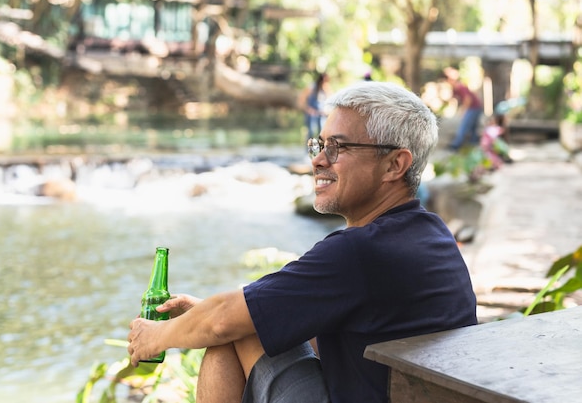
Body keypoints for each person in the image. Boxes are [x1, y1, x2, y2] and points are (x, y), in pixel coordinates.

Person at [127, 81, 478, 403]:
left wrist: (156, 337)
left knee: (228, 332)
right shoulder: (431, 234)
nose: (318, 160)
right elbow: (299, 321)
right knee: (245, 323)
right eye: (320, 144)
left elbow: (222, 321)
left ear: (394, 165)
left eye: (338, 147)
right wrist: (211, 317)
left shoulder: (359, 251)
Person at [444, 67, 484, 151]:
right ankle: (473, 145)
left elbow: (468, 99)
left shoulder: (460, 87)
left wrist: (463, 110)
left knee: (464, 126)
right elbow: (452, 99)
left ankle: (456, 145)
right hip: (476, 107)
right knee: (473, 128)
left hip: (474, 107)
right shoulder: (455, 88)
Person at [298, 72, 331, 140]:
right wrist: (308, 109)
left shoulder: (327, 88)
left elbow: (330, 101)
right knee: (311, 131)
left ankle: (321, 148)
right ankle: (309, 148)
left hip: (321, 113)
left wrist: (326, 111)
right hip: (312, 113)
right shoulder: (312, 87)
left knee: (322, 131)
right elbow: (302, 99)